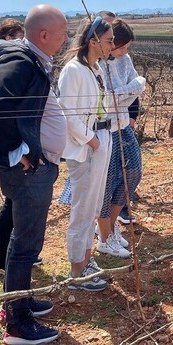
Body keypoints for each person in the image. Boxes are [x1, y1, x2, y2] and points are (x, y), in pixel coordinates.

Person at [0, 5, 68, 345]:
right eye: (63, 32)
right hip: (28, 171)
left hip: (34, 169)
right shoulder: (22, 61)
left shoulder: (31, 59)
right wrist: (18, 149)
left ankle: (20, 301)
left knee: (24, 242)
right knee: (25, 245)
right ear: (43, 35)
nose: (67, 38)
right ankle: (17, 323)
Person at [0, 17, 44, 275]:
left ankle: (6, 255)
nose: (21, 44)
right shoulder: (6, 68)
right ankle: (1, 259)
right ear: (4, 39)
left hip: (16, 147)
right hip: (12, 149)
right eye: (16, 38)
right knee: (13, 204)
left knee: (13, 203)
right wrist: (17, 150)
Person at [58, 16, 115, 291]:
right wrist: (91, 139)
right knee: (82, 208)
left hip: (101, 138)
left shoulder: (95, 69)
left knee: (93, 205)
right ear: (93, 41)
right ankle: (76, 270)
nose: (112, 45)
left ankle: (86, 259)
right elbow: (66, 112)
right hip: (86, 146)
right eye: (109, 40)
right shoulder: (74, 70)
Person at [95, 18, 146, 257]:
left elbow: (138, 84)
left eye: (127, 48)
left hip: (123, 125)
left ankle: (112, 226)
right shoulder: (96, 65)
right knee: (106, 184)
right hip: (105, 130)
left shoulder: (124, 60)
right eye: (121, 46)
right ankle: (104, 237)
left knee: (132, 173)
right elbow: (106, 100)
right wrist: (127, 91)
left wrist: (122, 94)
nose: (125, 52)